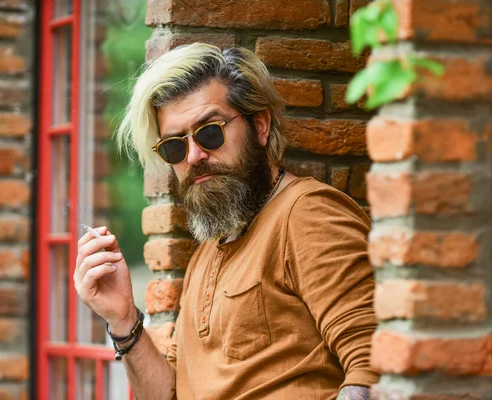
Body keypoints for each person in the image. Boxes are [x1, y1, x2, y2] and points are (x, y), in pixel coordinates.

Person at [74, 43, 379, 400]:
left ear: (260, 126)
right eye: (174, 146)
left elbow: (375, 363)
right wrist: (124, 319)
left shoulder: (306, 214)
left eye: (210, 132)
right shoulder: (205, 253)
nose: (194, 155)